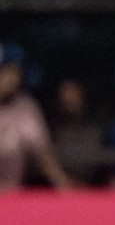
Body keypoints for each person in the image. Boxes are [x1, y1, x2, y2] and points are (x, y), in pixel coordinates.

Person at [0, 44, 71, 192]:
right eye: (7, 71)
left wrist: (63, 185)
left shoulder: (25, 106)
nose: (13, 79)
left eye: (16, 72)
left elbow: (43, 154)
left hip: (12, 195)